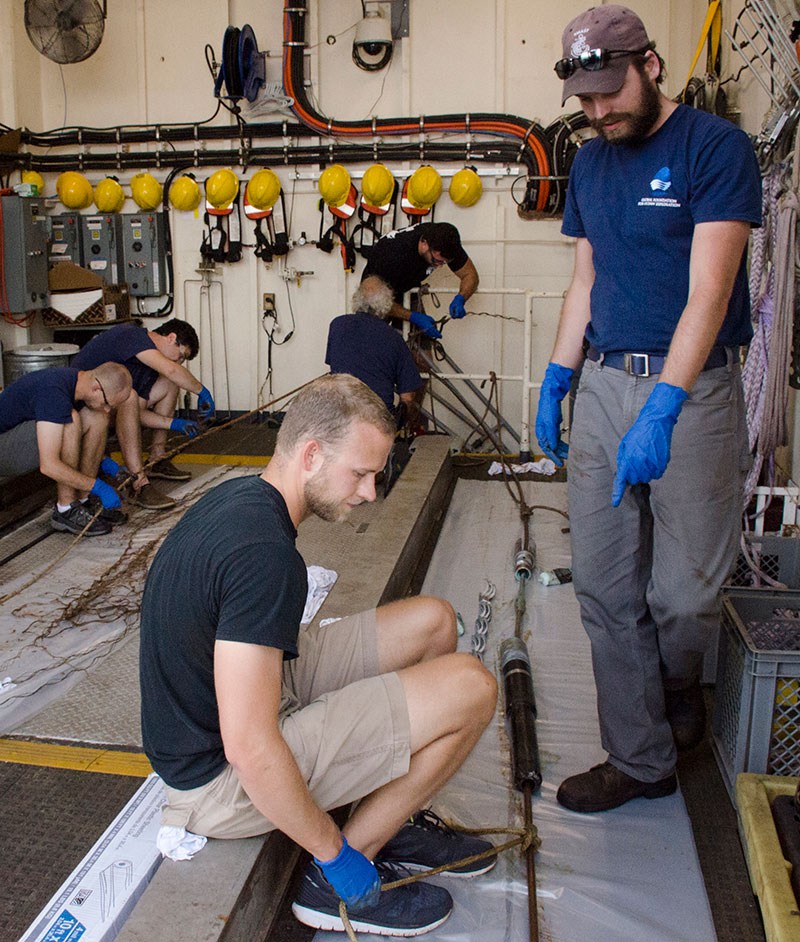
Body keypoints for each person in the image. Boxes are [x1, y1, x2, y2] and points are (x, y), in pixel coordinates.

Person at [139, 374, 498, 936]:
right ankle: (337, 882)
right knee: (474, 687)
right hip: (218, 783)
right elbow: (250, 747)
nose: (370, 492)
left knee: (435, 622)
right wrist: (334, 854)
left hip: (233, 711)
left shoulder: (243, 496)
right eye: (360, 473)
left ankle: (389, 813)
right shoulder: (264, 555)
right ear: (310, 454)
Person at [535, 5, 761, 813]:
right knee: (603, 584)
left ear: (652, 66)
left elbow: (712, 289)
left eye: (611, 94)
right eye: (585, 102)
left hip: (691, 391)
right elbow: (586, 282)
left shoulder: (714, 148)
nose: (599, 114)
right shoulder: (589, 165)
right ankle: (640, 760)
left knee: (683, 594)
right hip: (602, 381)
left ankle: (676, 683)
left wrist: (665, 403)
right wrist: (558, 379)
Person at [70, 319, 214, 511]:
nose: (179, 362)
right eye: (181, 356)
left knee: (170, 382)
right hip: (82, 409)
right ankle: (138, 483)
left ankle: (157, 458)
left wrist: (175, 423)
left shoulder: (146, 366)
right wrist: (202, 392)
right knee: (132, 395)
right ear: (171, 338)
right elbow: (170, 370)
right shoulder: (132, 336)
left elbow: (136, 413)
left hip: (106, 407)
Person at [0, 361, 132, 536]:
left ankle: (83, 501)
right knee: (70, 418)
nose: (108, 409)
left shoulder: (77, 382)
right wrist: (98, 486)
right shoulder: (54, 392)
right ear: (96, 389)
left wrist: (106, 463)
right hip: (3, 453)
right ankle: (66, 508)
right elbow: (49, 465)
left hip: (17, 442)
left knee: (97, 417)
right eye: (108, 403)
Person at [326, 276, 423, 421]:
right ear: (386, 303)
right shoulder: (394, 338)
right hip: (377, 422)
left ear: (357, 298)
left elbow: (333, 365)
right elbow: (408, 397)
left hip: (340, 417)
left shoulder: (337, 325)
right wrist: (400, 425)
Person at [361, 222, 479, 339]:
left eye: (444, 262)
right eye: (437, 261)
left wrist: (461, 298)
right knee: (372, 346)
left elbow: (470, 275)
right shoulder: (392, 254)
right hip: (374, 296)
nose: (440, 266)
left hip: (406, 287)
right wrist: (414, 317)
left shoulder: (445, 241)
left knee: (421, 351)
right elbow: (378, 301)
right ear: (424, 245)